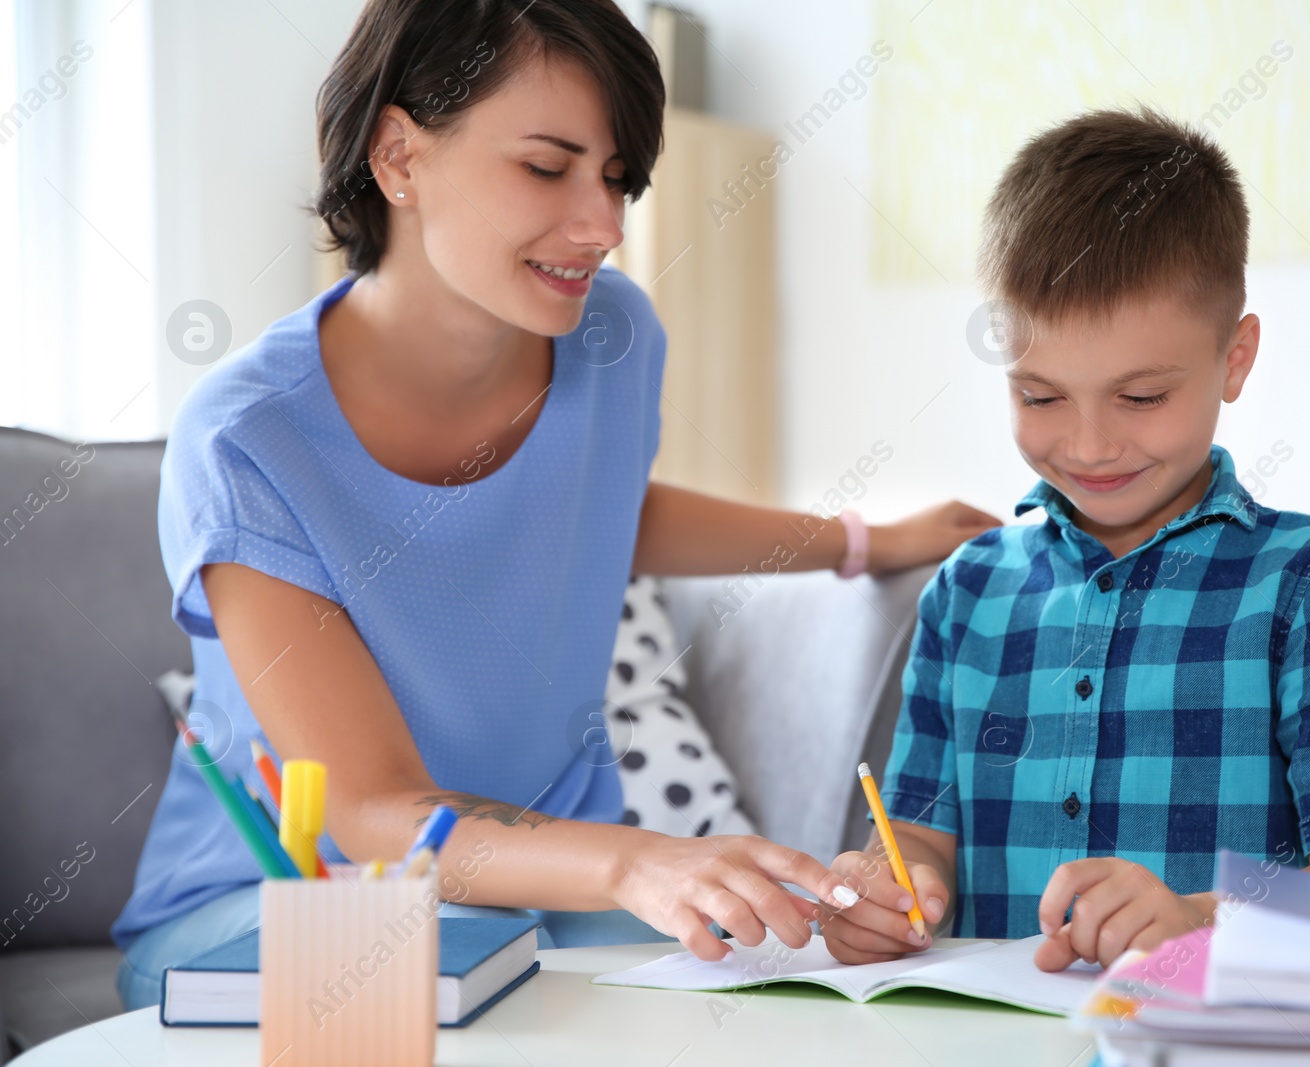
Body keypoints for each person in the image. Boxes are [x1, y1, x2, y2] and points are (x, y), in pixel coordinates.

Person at [112, 0, 1001, 1010]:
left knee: (796, 972)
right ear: (398, 155)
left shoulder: (610, 334)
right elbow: (369, 806)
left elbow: (597, 506)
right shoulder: (247, 436)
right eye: (548, 166)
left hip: (550, 891)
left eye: (617, 177)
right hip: (280, 903)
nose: (604, 226)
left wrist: (865, 540)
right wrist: (635, 862)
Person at [821, 107, 1310, 971]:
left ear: (1235, 358)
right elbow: (916, 839)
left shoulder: (1304, 579)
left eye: (1141, 398)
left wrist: (1201, 920)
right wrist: (885, 893)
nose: (1091, 444)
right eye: (1039, 396)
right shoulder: (966, 591)